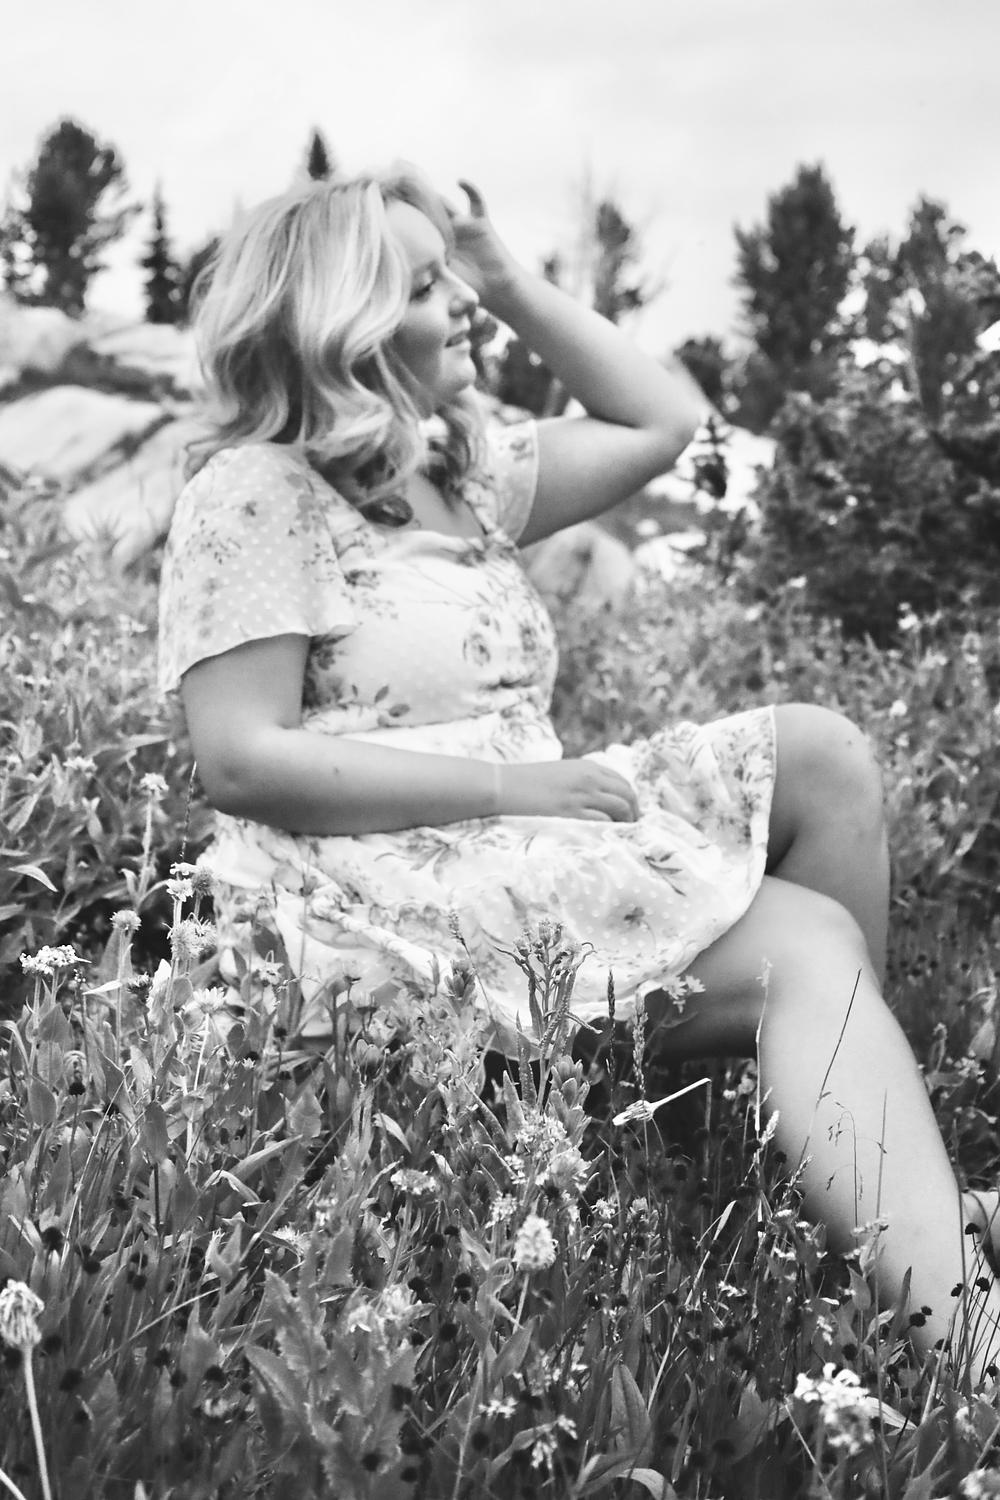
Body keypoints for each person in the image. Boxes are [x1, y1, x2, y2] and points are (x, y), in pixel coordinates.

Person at [158, 165, 1000, 1385]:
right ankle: (967, 1344)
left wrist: (507, 274)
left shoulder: (447, 471)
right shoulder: (254, 491)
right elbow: (241, 758)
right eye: (429, 285)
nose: (460, 304)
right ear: (353, 321)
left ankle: (844, 1184)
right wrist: (517, 793)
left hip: (520, 839)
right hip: (371, 892)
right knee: (804, 946)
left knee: (819, 754)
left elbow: (662, 420)